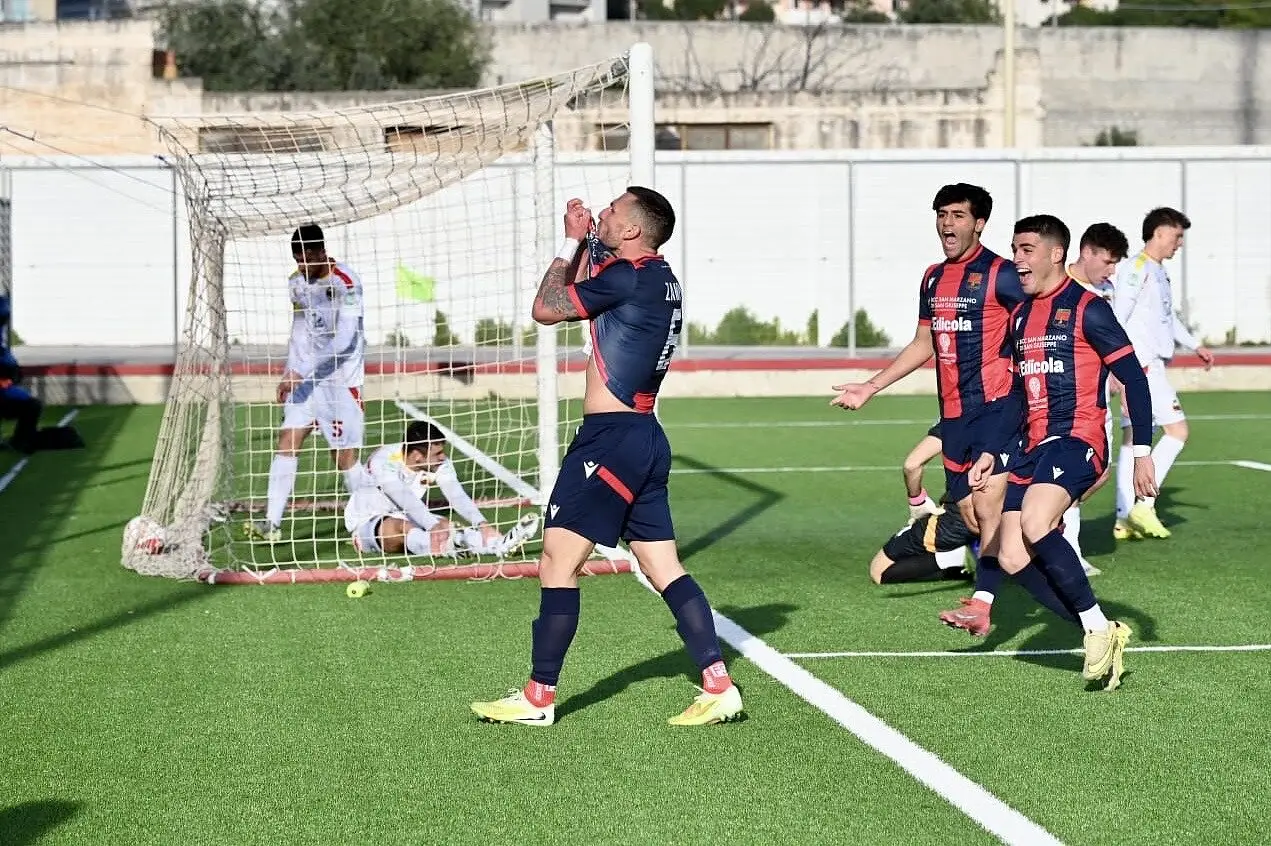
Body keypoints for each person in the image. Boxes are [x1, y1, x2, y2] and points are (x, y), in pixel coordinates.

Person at [471, 188, 742, 728]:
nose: (604, 215)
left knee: (556, 563)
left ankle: (538, 697)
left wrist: (571, 240)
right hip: (644, 435)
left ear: (635, 230)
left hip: (609, 439)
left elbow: (546, 308)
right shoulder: (659, 277)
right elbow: (602, 273)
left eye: (613, 212)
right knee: (663, 567)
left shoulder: (626, 278)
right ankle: (718, 684)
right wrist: (591, 239)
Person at [957, 214, 1157, 691]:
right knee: (1009, 556)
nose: (1017, 260)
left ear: (1054, 254)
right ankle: (1100, 628)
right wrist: (991, 452)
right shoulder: (1022, 316)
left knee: (1035, 522)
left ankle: (1094, 628)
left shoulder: (1088, 308)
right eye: (1014, 249)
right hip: (1031, 444)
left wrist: (1142, 450)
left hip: (1078, 439)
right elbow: (1017, 398)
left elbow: (1133, 377)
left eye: (1026, 250)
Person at [832, 183, 1025, 619]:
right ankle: (1017, 565)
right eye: (941, 214)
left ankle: (992, 598)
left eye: (957, 215)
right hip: (953, 416)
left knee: (988, 509)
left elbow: (1036, 322)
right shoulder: (933, 277)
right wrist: (871, 386)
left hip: (995, 411)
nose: (946, 223)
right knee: (972, 519)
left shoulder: (1003, 274)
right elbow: (924, 343)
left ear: (979, 223)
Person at [246, 224, 372, 543]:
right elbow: (300, 330)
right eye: (297, 260)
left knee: (343, 456)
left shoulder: (347, 282)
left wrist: (302, 370)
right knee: (288, 439)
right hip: (306, 380)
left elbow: (344, 340)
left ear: (320, 251)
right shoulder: (296, 283)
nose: (303, 267)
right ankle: (271, 524)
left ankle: (370, 519)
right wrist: (290, 371)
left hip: (341, 381)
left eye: (307, 258)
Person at [1111, 208, 1214, 541]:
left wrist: (1194, 344)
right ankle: (1145, 503)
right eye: (1176, 235)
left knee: (1132, 438)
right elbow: (1117, 317)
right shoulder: (1136, 269)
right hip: (1142, 366)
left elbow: (1167, 319)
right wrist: (1116, 363)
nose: (1179, 243)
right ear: (1158, 233)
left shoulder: (1157, 271)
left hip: (1144, 365)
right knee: (1178, 431)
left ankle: (1124, 516)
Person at [1054, 221, 1133, 575]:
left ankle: (1044, 531)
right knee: (1067, 473)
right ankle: (1065, 551)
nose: (1112, 269)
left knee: (1096, 474)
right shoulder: (1055, 284)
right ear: (1086, 252)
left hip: (1096, 401)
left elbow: (1109, 340)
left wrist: (1123, 379)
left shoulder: (1105, 293)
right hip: (1057, 401)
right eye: (1108, 261)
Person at [344, 420, 538, 560]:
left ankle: (499, 544)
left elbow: (456, 494)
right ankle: (453, 547)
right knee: (406, 528)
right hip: (366, 522)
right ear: (418, 456)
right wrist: (433, 526)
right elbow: (402, 498)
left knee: (448, 526)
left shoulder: (438, 463)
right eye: (437, 453)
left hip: (404, 515)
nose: (443, 457)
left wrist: (483, 524)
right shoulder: (383, 460)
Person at [870, 492, 974, 585]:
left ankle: (966, 556)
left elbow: (912, 469)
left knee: (879, 571)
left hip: (958, 519)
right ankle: (981, 553)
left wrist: (917, 501)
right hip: (985, 520)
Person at [902, 422, 945, 523]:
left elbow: (911, 466)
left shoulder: (951, 422)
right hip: (982, 502)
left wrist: (918, 504)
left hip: (959, 511)